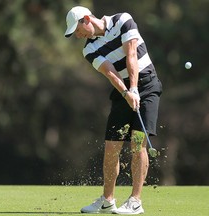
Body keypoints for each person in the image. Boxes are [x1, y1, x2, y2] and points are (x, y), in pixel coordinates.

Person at [64, 6, 162, 215]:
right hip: (122, 93)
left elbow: (131, 55)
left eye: (78, 29)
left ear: (87, 19)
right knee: (111, 148)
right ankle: (107, 200)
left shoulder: (122, 20)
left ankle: (135, 201)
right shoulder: (88, 49)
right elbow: (111, 73)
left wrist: (135, 89)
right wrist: (127, 93)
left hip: (147, 87)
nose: (77, 35)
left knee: (137, 144)